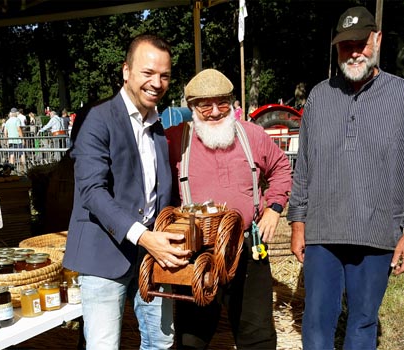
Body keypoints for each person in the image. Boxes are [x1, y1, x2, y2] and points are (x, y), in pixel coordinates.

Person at [287, 6, 404, 350]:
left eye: (361, 43)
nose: (353, 52)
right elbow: (303, 167)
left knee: (363, 322)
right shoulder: (320, 97)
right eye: (344, 45)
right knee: (317, 322)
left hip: (378, 232)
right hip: (323, 233)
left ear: (377, 40)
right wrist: (297, 223)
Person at [63, 34, 190, 350]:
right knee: (104, 345)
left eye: (164, 75)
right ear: (126, 71)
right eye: (148, 73)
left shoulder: (157, 126)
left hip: (150, 255)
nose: (157, 82)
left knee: (161, 340)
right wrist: (145, 237)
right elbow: (92, 191)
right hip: (104, 254)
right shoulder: (97, 118)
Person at [166, 68, 292, 349]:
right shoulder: (175, 140)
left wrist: (274, 207)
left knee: (256, 333)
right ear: (191, 107)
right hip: (196, 251)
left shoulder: (252, 135)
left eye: (222, 103)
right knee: (191, 336)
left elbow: (282, 168)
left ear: (233, 103)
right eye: (204, 105)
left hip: (247, 245)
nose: (214, 112)